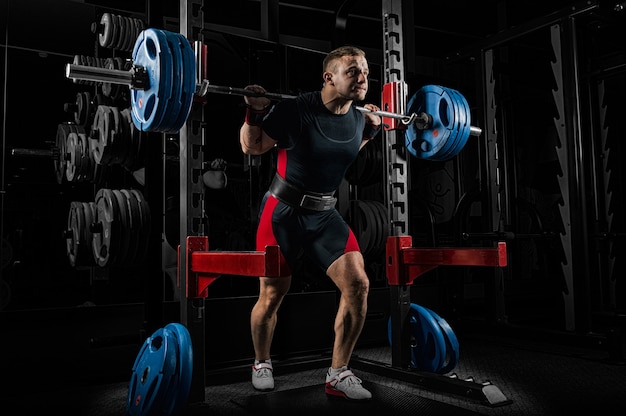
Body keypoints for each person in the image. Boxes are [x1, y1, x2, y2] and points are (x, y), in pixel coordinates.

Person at [239, 45, 382, 401]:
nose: (362, 78)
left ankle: (338, 374)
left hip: (324, 215)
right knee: (271, 294)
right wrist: (254, 113)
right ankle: (261, 363)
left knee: (358, 284)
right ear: (329, 77)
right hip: (283, 213)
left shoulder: (358, 117)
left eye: (364, 72)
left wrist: (373, 131)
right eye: (353, 71)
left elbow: (344, 148)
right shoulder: (295, 110)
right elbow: (253, 148)